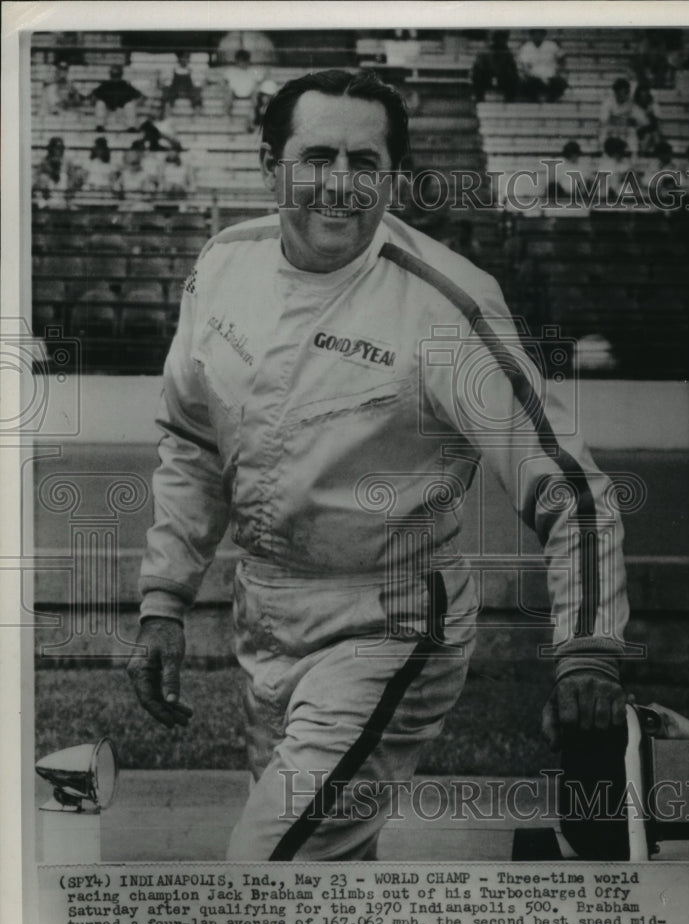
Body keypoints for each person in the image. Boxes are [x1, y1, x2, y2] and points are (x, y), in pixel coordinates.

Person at [128, 69, 631, 862]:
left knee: (265, 866)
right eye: (316, 156)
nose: (339, 184)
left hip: (389, 626)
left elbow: (571, 487)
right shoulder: (225, 264)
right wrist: (164, 598)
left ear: (392, 178)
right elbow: (192, 441)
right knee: (323, 874)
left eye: (365, 164)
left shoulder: (446, 308)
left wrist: (588, 652)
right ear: (271, 167)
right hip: (264, 614)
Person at [516, 29, 567, 103]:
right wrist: (530, 75)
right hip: (534, 77)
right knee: (524, 84)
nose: (538, 36)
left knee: (561, 83)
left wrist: (559, 70)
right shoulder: (526, 47)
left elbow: (562, 58)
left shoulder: (552, 45)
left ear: (544, 35)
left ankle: (550, 100)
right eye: (535, 34)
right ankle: (535, 100)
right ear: (531, 35)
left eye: (540, 34)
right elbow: (525, 65)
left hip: (551, 76)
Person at [599, 77, 645, 157]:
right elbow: (603, 120)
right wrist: (622, 119)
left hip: (625, 132)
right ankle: (605, 159)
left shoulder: (631, 104)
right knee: (603, 134)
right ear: (615, 92)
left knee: (633, 135)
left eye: (624, 92)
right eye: (618, 92)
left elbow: (643, 121)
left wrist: (632, 121)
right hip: (611, 132)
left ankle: (633, 162)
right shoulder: (608, 102)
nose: (620, 95)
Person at [470, 29, 519, 103]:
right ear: (495, 39)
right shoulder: (485, 52)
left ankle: (509, 103)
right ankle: (478, 101)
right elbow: (477, 67)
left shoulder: (507, 53)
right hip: (487, 78)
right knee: (477, 77)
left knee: (513, 79)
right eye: (499, 38)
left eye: (504, 38)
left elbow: (513, 68)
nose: (502, 41)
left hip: (502, 78)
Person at [91, 65, 142, 132]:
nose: (115, 77)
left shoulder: (125, 85)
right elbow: (94, 95)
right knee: (100, 103)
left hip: (122, 110)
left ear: (120, 75)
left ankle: (131, 127)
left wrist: (132, 102)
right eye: (113, 74)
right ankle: (99, 126)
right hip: (107, 110)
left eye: (117, 75)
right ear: (111, 74)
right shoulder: (105, 85)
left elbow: (138, 95)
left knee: (130, 105)